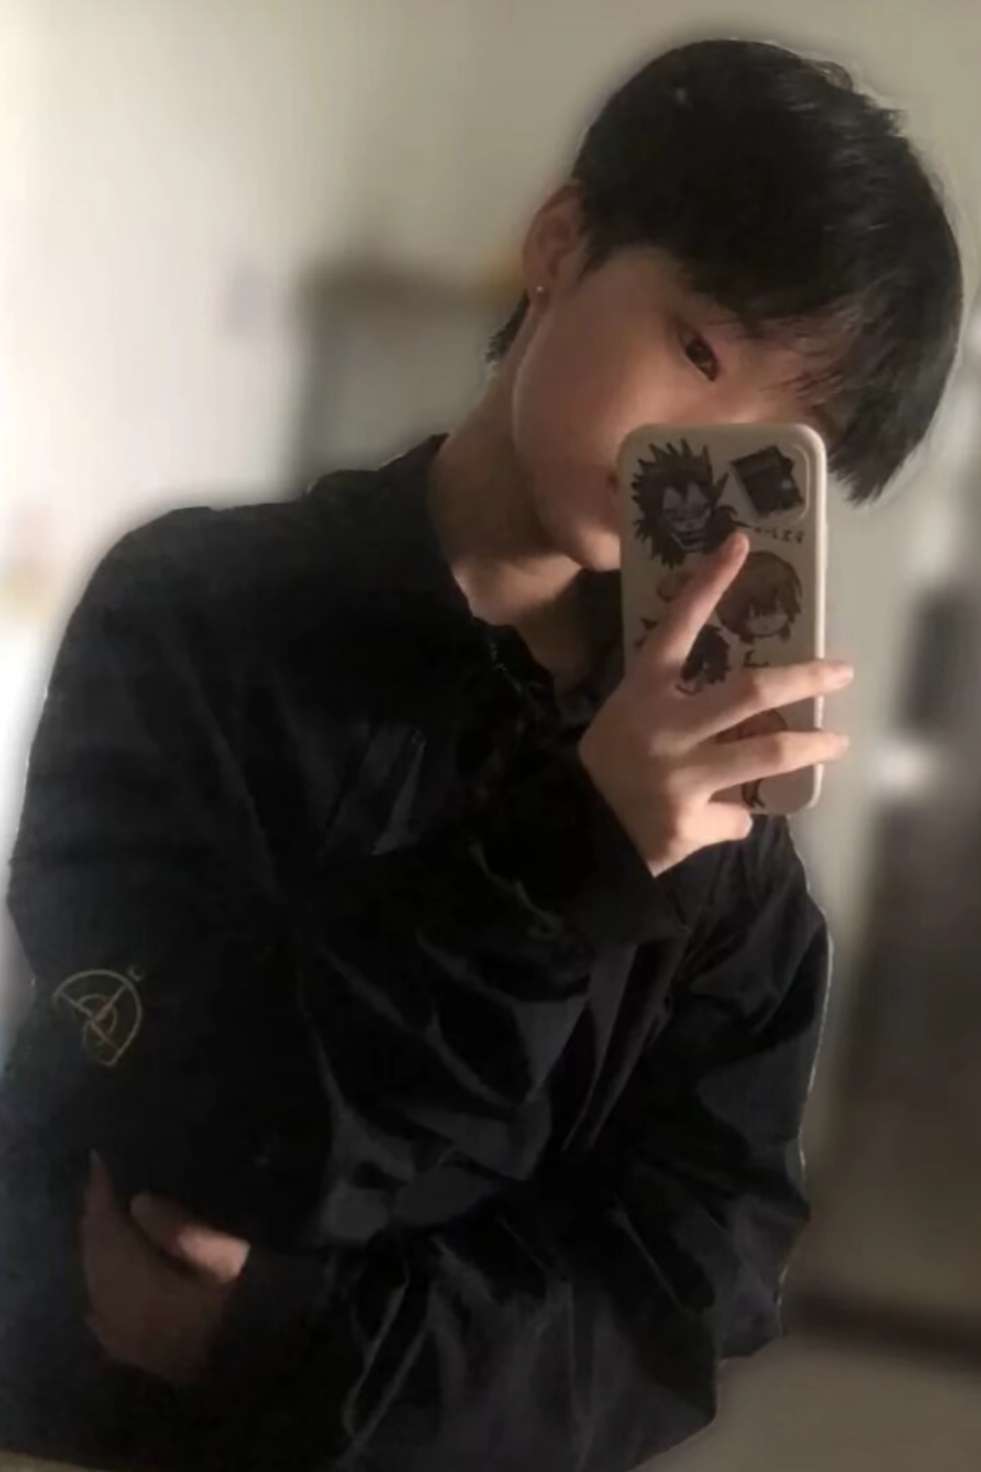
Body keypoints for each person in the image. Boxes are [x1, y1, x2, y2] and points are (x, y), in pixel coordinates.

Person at [0, 35, 962, 1472]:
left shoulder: (724, 821)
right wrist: (574, 859)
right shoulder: (195, 613)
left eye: (773, 445)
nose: (691, 463)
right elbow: (176, 1127)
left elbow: (682, 1295)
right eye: (698, 350)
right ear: (559, 243)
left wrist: (293, 1339)